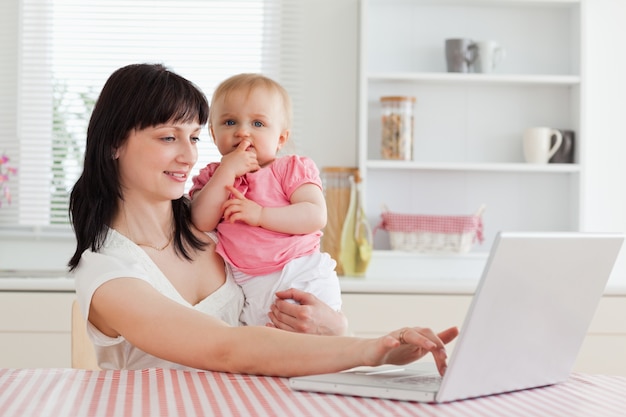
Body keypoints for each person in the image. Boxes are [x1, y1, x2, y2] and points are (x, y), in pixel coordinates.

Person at [68, 63, 458, 374]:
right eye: (169, 137)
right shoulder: (108, 273)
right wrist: (371, 350)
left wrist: (337, 330)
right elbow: (228, 349)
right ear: (115, 142)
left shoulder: (220, 222)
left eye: (194, 137)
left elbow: (276, 324)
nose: (188, 156)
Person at [189, 73, 341, 327]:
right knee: (266, 353)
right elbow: (201, 221)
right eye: (229, 122)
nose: (242, 132)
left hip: (300, 272)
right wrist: (227, 171)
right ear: (214, 135)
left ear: (280, 138)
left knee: (312, 349)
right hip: (250, 286)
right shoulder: (213, 178)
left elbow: (315, 215)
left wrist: (261, 215)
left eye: (258, 124)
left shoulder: (290, 169)